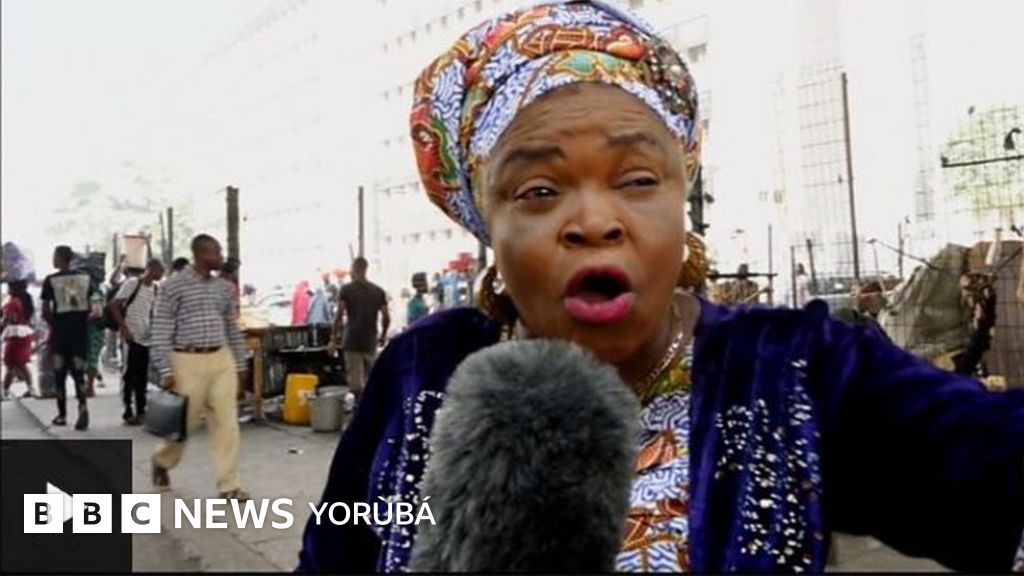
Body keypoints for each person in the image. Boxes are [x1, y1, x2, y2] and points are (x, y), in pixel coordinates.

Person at [298, 2, 1024, 573]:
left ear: (682, 196)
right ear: (487, 221)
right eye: (540, 190)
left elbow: (982, 457)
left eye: (639, 179)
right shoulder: (423, 369)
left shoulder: (792, 367)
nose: (594, 221)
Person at [150, 234, 250, 501]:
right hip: (187, 360)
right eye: (216, 253)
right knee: (183, 423)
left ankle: (229, 485)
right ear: (201, 254)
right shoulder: (173, 286)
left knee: (227, 423)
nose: (221, 257)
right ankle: (162, 461)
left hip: (220, 358)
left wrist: (240, 363)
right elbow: (161, 330)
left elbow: (231, 327)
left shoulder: (223, 288)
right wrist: (166, 370)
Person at [40, 245, 99, 429]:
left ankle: (62, 415)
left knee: (59, 373)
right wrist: (83, 320)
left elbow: (45, 309)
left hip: (60, 334)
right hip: (80, 334)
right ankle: (82, 405)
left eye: (54, 256)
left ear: (60, 258)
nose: (53, 260)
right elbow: (96, 307)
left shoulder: (51, 280)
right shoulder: (85, 279)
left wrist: (54, 325)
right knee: (78, 373)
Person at [110, 258, 165, 425]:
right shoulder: (133, 283)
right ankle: (128, 408)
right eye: (159, 271)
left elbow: (151, 312)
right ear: (150, 269)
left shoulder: (155, 288)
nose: (161, 275)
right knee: (129, 374)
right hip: (130, 336)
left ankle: (141, 410)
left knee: (142, 375)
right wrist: (124, 329)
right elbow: (115, 306)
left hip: (146, 338)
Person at [327, 257, 389, 403]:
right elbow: (386, 317)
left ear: (354, 269)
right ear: (365, 269)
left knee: (356, 385)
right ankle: (372, 407)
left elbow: (339, 316)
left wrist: (333, 339)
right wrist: (383, 336)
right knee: (373, 380)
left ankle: (360, 407)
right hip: (370, 341)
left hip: (351, 341)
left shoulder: (346, 290)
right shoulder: (378, 291)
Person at [2, 279, 35, 399]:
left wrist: (2, 326)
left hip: (15, 334)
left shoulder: (13, 302)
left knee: (10, 364)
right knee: (21, 364)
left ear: (13, 289)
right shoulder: (25, 301)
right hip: (24, 333)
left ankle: (4, 391)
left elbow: (11, 319)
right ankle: (31, 389)